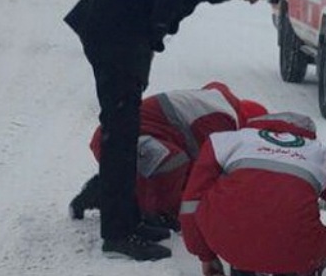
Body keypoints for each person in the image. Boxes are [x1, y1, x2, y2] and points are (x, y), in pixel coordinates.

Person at [64, 0, 287, 261]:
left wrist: (156, 31)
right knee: (121, 130)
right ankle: (118, 233)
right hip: (115, 28)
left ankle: (129, 220)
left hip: (119, 26)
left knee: (126, 126)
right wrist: (158, 28)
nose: (253, 1)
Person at [180, 112, 326, 276]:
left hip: (227, 238)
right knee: (287, 224)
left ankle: (242, 270)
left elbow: (190, 204)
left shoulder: (224, 141)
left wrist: (206, 255)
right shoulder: (318, 153)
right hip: (295, 246)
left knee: (236, 209)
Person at [69, 81, 268, 232]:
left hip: (116, 141)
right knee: (174, 162)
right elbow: (208, 170)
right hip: (117, 144)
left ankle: (108, 189)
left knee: (176, 166)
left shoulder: (215, 102)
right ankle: (153, 214)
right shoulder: (222, 119)